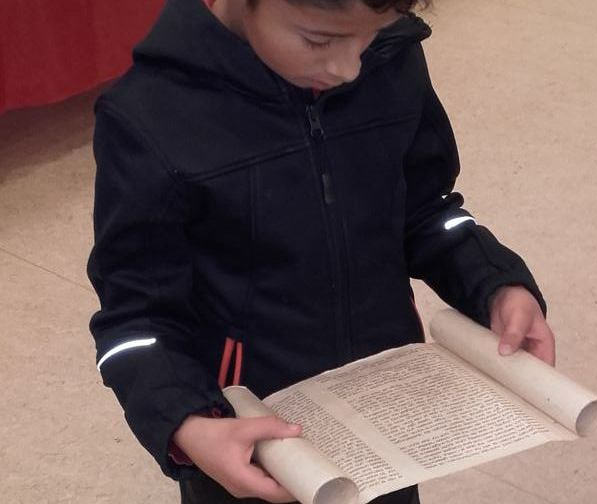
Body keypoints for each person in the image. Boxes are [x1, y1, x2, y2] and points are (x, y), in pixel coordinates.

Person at [87, 0, 556, 502]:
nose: (348, 68)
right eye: (319, 40)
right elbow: (135, 320)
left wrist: (495, 282)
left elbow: (425, 208)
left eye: (372, 34)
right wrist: (186, 422)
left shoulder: (391, 58)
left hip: (384, 416)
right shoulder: (150, 117)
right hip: (246, 436)